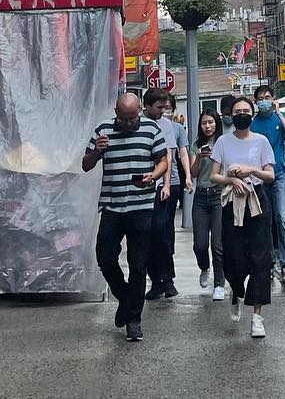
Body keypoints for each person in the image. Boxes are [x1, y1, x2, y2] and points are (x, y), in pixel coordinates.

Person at [81, 92, 168, 342]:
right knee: (105, 258)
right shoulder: (103, 130)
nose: (129, 124)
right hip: (112, 206)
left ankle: (134, 320)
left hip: (141, 207)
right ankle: (127, 300)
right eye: (123, 119)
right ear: (116, 114)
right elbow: (85, 165)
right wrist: (96, 152)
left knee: (138, 265)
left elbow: (162, 160)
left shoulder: (151, 129)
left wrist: (153, 175)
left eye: (132, 118)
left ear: (140, 110)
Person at [211, 95, 277, 337]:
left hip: (257, 201)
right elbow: (213, 176)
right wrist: (232, 179)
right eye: (237, 110)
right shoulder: (222, 142)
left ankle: (257, 316)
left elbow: (270, 175)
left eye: (245, 110)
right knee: (234, 258)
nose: (241, 114)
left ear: (252, 114)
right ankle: (236, 291)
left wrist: (251, 171)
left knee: (261, 259)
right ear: (231, 114)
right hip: (232, 202)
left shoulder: (261, 141)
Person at [144, 88, 189, 300]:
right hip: (143, 188)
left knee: (163, 233)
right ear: (147, 106)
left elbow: (169, 156)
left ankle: (168, 279)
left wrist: (166, 184)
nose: (163, 111)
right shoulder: (139, 122)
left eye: (165, 107)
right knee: (149, 235)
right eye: (160, 107)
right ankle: (155, 280)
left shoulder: (167, 125)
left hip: (164, 187)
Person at [250, 84, 285, 282]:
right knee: (265, 222)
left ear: (273, 99)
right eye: (261, 98)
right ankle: (268, 263)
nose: (264, 101)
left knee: (282, 218)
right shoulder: (253, 124)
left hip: (279, 175)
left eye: (268, 97)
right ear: (255, 102)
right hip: (260, 178)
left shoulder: (280, 118)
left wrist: (278, 114)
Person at [189, 111, 226, 299]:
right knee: (199, 245)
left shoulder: (224, 143)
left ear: (216, 123)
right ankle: (204, 267)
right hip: (201, 197)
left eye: (211, 122)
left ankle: (219, 284)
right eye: (204, 123)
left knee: (218, 245)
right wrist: (200, 158)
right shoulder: (196, 146)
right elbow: (194, 173)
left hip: (219, 195)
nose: (208, 126)